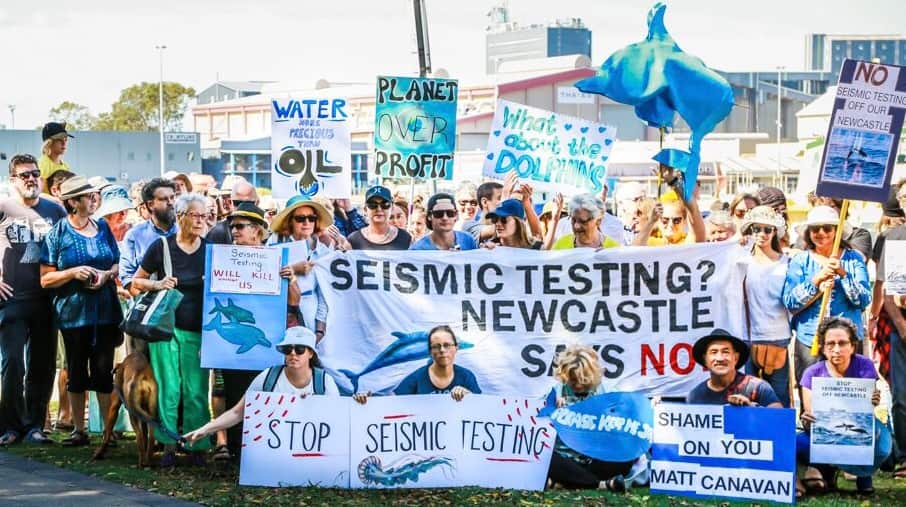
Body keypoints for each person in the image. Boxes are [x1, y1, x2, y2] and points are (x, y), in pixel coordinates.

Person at [40, 176, 123, 446]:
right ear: (73, 202)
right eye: (87, 196)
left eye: (94, 195)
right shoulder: (58, 234)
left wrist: (105, 274)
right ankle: (79, 429)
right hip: (73, 314)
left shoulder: (102, 228)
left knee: (103, 370)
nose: (93, 199)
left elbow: (117, 265)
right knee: (76, 371)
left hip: (105, 311)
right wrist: (74, 272)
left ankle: (107, 431)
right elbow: (45, 278)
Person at [131, 193, 211, 466]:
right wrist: (158, 284)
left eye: (205, 215)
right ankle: (167, 445)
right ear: (181, 217)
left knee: (196, 389)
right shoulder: (161, 247)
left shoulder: (210, 249)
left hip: (199, 328)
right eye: (196, 215)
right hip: (165, 328)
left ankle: (197, 444)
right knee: (168, 387)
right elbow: (136, 282)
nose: (202, 221)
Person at [218, 202, 295, 459]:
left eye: (240, 226)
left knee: (265, 394)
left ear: (258, 230)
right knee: (233, 395)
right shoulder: (223, 257)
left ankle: (263, 453)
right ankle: (238, 455)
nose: (234, 231)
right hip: (232, 349)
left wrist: (290, 280)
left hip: (266, 346)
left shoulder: (276, 258)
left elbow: (295, 302)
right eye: (232, 227)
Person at [0, 154, 67, 446]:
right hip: (11, 298)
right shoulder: (3, 207)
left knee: (41, 365)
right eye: (25, 175)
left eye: (35, 174)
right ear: (12, 179)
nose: (31, 179)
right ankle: (9, 426)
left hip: (46, 298)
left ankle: (35, 425)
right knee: (13, 362)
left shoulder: (55, 210)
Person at [183, 326, 339, 446]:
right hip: (275, 452)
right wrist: (205, 429)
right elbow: (238, 412)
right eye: (287, 349)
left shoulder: (324, 382)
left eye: (299, 349)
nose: (293, 354)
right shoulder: (268, 377)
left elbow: (337, 418)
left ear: (311, 353)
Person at [797, 317, 886, 495]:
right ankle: (815, 472)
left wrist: (873, 400)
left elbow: (866, 413)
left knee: (881, 441)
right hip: (825, 436)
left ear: (853, 346)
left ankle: (863, 477)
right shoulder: (811, 373)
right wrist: (807, 418)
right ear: (822, 347)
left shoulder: (864, 366)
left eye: (842, 343)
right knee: (796, 442)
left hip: (857, 434)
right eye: (830, 344)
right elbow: (810, 417)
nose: (836, 349)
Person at [782, 205, 871, 383]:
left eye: (827, 228)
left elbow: (863, 300)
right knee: (811, 397)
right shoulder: (800, 260)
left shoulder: (854, 259)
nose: (821, 232)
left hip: (847, 343)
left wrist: (843, 274)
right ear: (808, 233)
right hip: (810, 341)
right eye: (815, 228)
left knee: (847, 396)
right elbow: (790, 302)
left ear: (837, 231)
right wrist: (817, 281)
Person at [546, 344, 631, 492]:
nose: (578, 385)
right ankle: (602, 484)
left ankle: (566, 482)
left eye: (583, 380)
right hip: (564, 458)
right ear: (565, 375)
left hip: (594, 459)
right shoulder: (554, 393)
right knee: (545, 459)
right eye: (573, 380)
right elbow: (538, 428)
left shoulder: (608, 393)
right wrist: (552, 412)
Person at [739, 206, 792, 407]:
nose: (762, 234)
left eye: (767, 229)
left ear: (775, 232)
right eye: (756, 229)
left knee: (778, 401)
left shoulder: (788, 262)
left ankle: (779, 439)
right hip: (747, 338)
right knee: (747, 398)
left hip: (778, 336)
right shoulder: (741, 261)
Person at [873, 181, 906, 478]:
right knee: (901, 397)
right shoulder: (894, 238)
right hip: (902, 330)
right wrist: (900, 324)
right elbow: (888, 290)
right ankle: (905, 457)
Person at [268, 195, 333, 338]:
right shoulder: (274, 241)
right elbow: (263, 276)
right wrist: (293, 269)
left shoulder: (324, 251)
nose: (307, 223)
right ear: (290, 221)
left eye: (311, 218)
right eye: (300, 218)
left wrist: (320, 329)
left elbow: (325, 294)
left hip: (310, 311)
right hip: (279, 310)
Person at [687, 329, 783, 407]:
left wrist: (751, 408)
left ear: (735, 358)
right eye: (714, 352)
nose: (720, 358)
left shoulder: (758, 388)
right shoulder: (695, 396)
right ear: (705, 360)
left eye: (726, 352)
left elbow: (779, 420)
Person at [390, 325, 481, 399]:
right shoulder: (417, 377)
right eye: (436, 346)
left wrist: (470, 397)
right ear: (430, 351)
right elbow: (393, 401)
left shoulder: (466, 376)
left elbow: (480, 406)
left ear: (456, 348)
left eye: (447, 345)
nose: (442, 350)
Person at [796, 195, 872, 260]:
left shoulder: (859, 234)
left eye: (830, 207)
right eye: (818, 207)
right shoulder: (806, 234)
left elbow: (856, 260)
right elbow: (794, 258)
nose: (823, 212)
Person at [348, 186, 412, 250]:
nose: (379, 209)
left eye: (385, 204)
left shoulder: (405, 238)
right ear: (365, 209)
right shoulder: (354, 240)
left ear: (392, 208)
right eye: (372, 205)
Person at [549, 193, 620, 249]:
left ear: (598, 221)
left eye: (583, 221)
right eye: (573, 220)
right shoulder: (561, 245)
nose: (576, 226)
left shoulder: (613, 250)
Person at [410, 193, 477, 251]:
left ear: (456, 215)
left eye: (450, 213)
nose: (445, 218)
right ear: (429, 216)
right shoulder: (418, 249)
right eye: (438, 214)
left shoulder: (468, 240)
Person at [207, 178, 258, 244]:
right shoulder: (218, 232)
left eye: (247, 203)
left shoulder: (264, 231)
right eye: (223, 197)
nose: (226, 203)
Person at [37, 122, 74, 194]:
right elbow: (41, 195)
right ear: (49, 142)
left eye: (66, 139)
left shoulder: (65, 166)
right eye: (59, 140)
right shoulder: (42, 164)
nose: (64, 143)